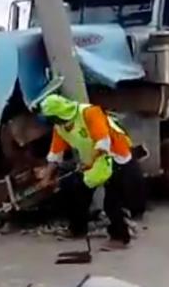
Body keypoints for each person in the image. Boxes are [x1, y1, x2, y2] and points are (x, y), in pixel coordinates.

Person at [36, 93, 145, 250]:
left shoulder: (90, 113)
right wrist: (46, 178)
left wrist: (88, 163)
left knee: (112, 202)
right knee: (77, 191)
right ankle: (77, 228)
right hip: (93, 163)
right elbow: (55, 156)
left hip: (115, 158)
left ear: (58, 115)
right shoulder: (60, 128)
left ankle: (120, 237)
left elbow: (103, 143)